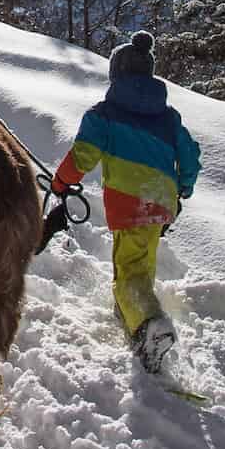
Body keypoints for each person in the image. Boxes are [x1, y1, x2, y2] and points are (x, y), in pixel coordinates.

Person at [50, 30, 201, 375]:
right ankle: (132, 314)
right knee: (141, 261)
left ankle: (149, 323)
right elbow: (190, 154)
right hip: (162, 201)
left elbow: (83, 155)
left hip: (128, 201)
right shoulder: (168, 116)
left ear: (116, 75)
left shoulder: (104, 114)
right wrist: (185, 188)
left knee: (128, 271)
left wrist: (61, 182)